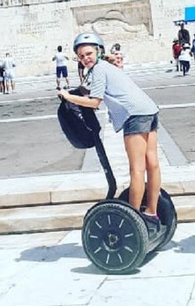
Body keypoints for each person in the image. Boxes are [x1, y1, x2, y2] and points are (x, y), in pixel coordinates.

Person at [58, 33, 163, 234]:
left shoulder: (98, 69)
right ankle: (151, 212)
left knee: (137, 169)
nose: (85, 58)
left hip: (134, 115)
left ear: (98, 51)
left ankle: (134, 220)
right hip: (149, 108)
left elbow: (94, 102)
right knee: (153, 164)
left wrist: (68, 97)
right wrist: (76, 93)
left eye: (88, 53)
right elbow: (90, 90)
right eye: (81, 56)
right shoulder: (105, 67)